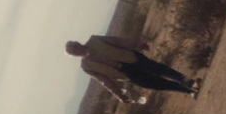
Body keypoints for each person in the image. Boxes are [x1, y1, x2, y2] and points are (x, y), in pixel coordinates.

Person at [66, 34, 199, 104]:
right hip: (126, 75)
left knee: (159, 69)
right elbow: (104, 81)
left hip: (131, 58)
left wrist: (137, 43)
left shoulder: (95, 39)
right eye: (73, 50)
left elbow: (116, 41)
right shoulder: (86, 66)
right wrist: (119, 95)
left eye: (75, 45)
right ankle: (188, 91)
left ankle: (189, 82)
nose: (77, 47)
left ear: (77, 42)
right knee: (156, 84)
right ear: (73, 55)